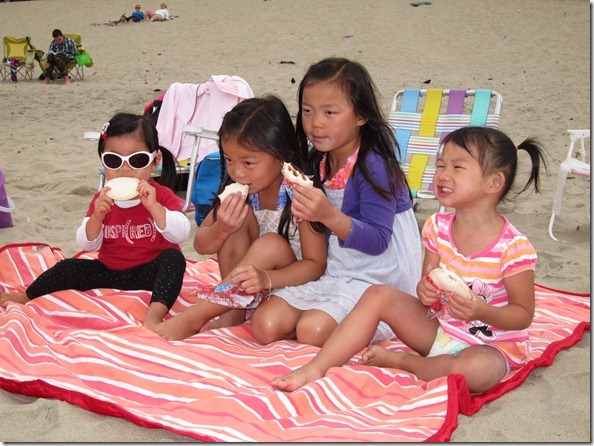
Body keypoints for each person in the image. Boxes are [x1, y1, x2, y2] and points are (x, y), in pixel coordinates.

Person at [271, 126, 547, 394]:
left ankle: (404, 362)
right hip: (442, 331)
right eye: (441, 165)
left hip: (491, 346)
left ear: (494, 183)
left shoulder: (513, 247)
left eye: (457, 167)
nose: (443, 175)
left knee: (474, 372)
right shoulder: (437, 227)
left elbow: (523, 315)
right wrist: (426, 291)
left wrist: (482, 312)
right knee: (378, 295)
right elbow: (426, 290)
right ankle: (316, 368)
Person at [249, 57, 423, 348]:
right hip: (333, 269)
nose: (316, 123)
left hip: (377, 275)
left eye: (330, 112)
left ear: (361, 116)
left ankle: (377, 321)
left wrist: (328, 215)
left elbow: (377, 241)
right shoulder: (317, 160)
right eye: (307, 111)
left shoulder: (375, 167)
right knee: (265, 324)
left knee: (312, 330)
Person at [153, 96, 328, 341]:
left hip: (292, 284)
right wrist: (222, 228)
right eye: (229, 160)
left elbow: (315, 265)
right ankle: (233, 309)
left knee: (271, 248)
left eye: (248, 162)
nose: (236, 172)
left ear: (282, 155)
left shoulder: (301, 194)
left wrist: (267, 279)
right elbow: (201, 245)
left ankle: (196, 316)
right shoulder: (239, 192)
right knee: (235, 221)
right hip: (249, 287)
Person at [0, 113, 191, 333]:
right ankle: (24, 297)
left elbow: (181, 234)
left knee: (174, 259)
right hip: (109, 271)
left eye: (137, 160)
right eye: (113, 160)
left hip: (149, 273)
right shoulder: (103, 198)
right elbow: (87, 243)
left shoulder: (161, 195)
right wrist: (97, 218)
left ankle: (154, 316)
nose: (125, 169)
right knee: (68, 267)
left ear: (155, 161)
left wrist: (155, 208)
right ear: (102, 162)